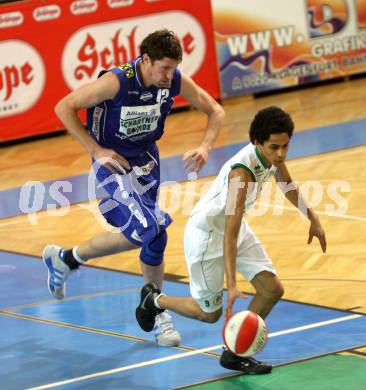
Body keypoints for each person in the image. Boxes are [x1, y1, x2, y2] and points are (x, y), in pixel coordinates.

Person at [43, 29, 225, 348]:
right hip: (112, 163)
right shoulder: (117, 82)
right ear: (146, 60)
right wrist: (95, 150)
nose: (170, 75)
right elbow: (64, 107)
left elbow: (216, 110)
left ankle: (66, 258)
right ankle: (156, 311)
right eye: (164, 68)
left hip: (146, 161)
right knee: (155, 230)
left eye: (174, 68)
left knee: (142, 235)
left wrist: (206, 147)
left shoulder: (175, 80)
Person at [135, 106, 327, 372]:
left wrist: (313, 219)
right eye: (274, 147)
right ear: (257, 143)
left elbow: (287, 185)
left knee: (272, 290)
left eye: (285, 146)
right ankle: (154, 300)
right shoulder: (241, 175)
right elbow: (231, 232)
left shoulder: (273, 159)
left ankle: (234, 354)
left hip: (232, 230)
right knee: (210, 314)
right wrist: (233, 284)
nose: (281, 154)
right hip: (208, 237)